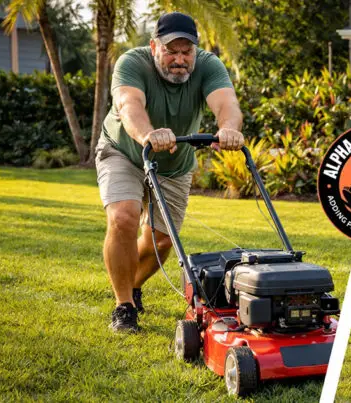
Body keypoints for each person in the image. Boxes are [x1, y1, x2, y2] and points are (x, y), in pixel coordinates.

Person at [95, 12, 244, 332]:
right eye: (171, 51)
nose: (179, 59)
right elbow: (128, 104)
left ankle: (132, 285)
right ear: (153, 47)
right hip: (124, 152)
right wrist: (148, 134)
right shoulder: (131, 63)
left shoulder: (208, 65)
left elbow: (226, 104)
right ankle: (124, 307)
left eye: (186, 52)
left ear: (196, 50)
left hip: (175, 165)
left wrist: (229, 129)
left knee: (162, 241)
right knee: (124, 217)